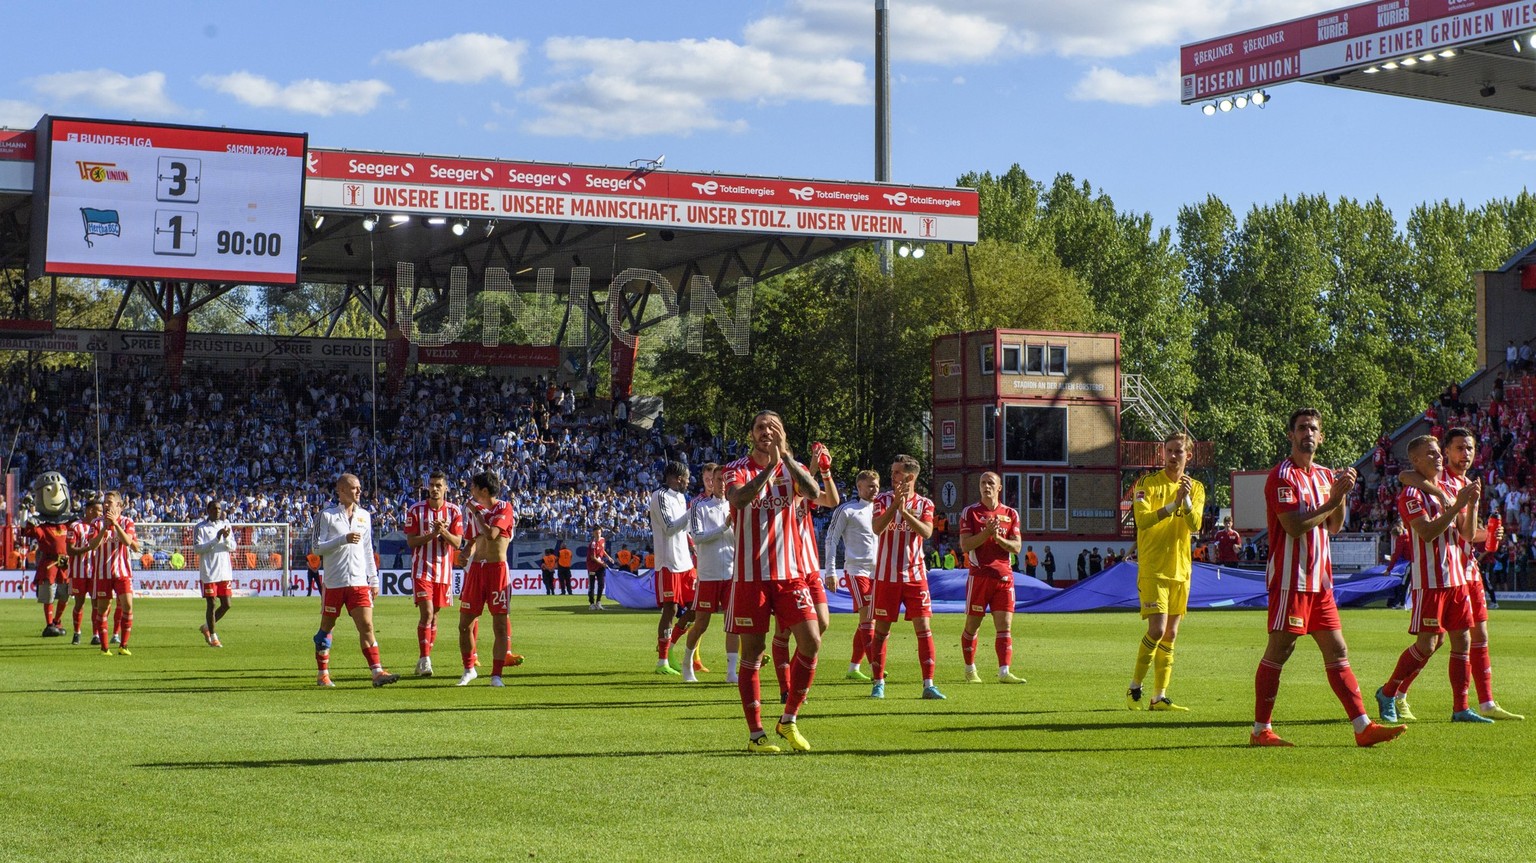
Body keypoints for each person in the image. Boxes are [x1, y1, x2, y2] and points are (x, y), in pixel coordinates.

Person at [1249, 409, 1403, 747]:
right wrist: (1333, 498)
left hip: (1320, 583)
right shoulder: (1281, 476)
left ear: (1321, 437)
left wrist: (1341, 495)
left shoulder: (1323, 475)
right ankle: (1261, 730)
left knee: (1338, 649)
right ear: (1290, 435)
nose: (1308, 433)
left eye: (1313, 428)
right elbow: (1293, 526)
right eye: (1302, 427)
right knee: (1280, 649)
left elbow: (1334, 526)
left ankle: (1362, 727)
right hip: (1291, 580)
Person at [1380, 430, 1522, 722]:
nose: (1466, 454)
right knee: (1432, 643)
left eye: (1470, 448)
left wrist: (1486, 531)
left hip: (1462, 572)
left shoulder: (1468, 485)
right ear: (1446, 451)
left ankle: (1474, 705)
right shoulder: (1434, 483)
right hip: (1433, 577)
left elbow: (1468, 534)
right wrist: (1449, 498)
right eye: (1459, 448)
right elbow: (1408, 476)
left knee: (1469, 638)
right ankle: (1395, 692)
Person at [723, 410, 823, 753]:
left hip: (790, 575)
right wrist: (768, 468)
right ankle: (755, 735)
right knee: (753, 652)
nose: (767, 431)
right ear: (751, 433)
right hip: (751, 577)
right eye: (761, 427)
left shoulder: (793, 468)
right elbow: (737, 499)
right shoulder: (736, 468)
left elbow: (812, 491)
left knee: (811, 641)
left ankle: (789, 720)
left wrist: (786, 458)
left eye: (773, 427)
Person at [1127, 432, 1205, 711]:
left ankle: (1159, 696)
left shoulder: (1195, 488)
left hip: (1181, 570)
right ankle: (1135, 686)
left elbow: (1195, 524)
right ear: (1163, 453)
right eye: (1169, 451)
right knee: (1157, 629)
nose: (1173, 456)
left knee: (1170, 634)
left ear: (1188, 456)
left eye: (1179, 452)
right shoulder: (1147, 484)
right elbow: (1143, 520)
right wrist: (1172, 504)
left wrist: (1184, 501)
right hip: (1153, 567)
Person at [310, 473, 399, 687]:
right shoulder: (327, 516)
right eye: (353, 488)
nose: (359, 491)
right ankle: (323, 674)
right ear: (340, 490)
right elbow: (316, 548)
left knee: (367, 625)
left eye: (359, 487)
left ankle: (377, 672)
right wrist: (343, 539)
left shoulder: (365, 516)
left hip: (359, 581)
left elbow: (367, 549)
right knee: (327, 627)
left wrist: (374, 579)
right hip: (334, 582)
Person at [868, 453, 944, 701]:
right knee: (881, 630)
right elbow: (877, 528)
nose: (892, 476)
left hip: (915, 575)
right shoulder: (882, 499)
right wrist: (895, 507)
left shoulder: (925, 504)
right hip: (886, 576)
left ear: (910, 477)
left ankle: (928, 684)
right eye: (892, 472)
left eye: (897, 472)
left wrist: (906, 513)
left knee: (923, 628)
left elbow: (927, 532)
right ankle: (878, 683)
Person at [770, 442, 839, 702]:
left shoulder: (802, 492)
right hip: (785, 568)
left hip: (809, 567)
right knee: (784, 631)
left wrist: (824, 469)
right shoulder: (774, 491)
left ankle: (795, 676)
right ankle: (786, 688)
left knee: (821, 623)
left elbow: (831, 499)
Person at [958, 471, 1025, 684]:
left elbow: (1016, 547)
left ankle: (1004, 672)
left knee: (1004, 625)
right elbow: (966, 545)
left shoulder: (1010, 514)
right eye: (982, 483)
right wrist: (987, 533)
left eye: (990, 483)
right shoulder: (970, 513)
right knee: (972, 625)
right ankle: (970, 670)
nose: (986, 486)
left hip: (1004, 577)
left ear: (999, 488)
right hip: (979, 577)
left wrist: (997, 537)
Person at [456, 471, 520, 687]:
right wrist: (465, 553)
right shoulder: (474, 510)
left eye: (474, 487)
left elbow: (492, 535)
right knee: (464, 624)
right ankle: (468, 669)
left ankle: (496, 675)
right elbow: (474, 539)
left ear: (484, 490)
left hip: (497, 571)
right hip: (476, 570)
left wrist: (476, 513)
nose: (470, 491)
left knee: (500, 625)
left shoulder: (504, 508)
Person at [403, 471, 464, 677]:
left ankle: (423, 659)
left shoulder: (454, 511)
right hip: (422, 569)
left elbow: (457, 543)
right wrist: (433, 534)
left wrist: (443, 532)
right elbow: (411, 542)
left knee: (435, 617)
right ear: (427, 487)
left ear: (446, 488)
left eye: (439, 485)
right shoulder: (416, 510)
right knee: (427, 613)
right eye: (432, 485)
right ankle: (425, 659)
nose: (435, 488)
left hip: (444, 572)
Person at [823, 469, 880, 681]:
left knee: (868, 620)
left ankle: (853, 668)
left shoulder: (882, 509)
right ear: (859, 487)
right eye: (870, 486)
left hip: (880, 572)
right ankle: (876, 667)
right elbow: (831, 539)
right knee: (869, 617)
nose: (874, 490)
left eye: (876, 485)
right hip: (857, 570)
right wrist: (831, 571)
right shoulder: (847, 510)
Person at [683, 462, 738, 682]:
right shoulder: (700, 507)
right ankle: (687, 665)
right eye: (718, 480)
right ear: (711, 483)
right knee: (701, 624)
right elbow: (697, 537)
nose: (722, 484)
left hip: (732, 574)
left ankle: (731, 672)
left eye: (726, 480)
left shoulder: (737, 507)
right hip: (708, 575)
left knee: (732, 624)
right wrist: (724, 527)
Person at [649, 460, 697, 676]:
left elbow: (685, 528)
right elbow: (669, 528)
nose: (688, 482)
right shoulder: (659, 496)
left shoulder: (680, 497)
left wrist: (694, 546)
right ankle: (662, 661)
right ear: (677, 478)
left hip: (686, 562)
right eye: (686, 478)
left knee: (698, 608)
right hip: (668, 562)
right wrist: (692, 511)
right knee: (671, 609)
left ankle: (671, 646)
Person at [85, 491, 140, 655]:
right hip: (103, 573)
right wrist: (104, 529)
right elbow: (92, 546)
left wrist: (115, 525)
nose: (106, 505)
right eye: (105, 502)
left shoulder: (127, 522)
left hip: (122, 572)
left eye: (109, 502)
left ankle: (123, 645)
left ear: (119, 505)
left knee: (128, 605)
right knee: (102, 609)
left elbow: (129, 542)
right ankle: (104, 648)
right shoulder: (96, 523)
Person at [192, 499, 237, 647]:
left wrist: (224, 539)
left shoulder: (226, 525)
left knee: (227, 604)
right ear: (208, 510)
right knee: (211, 603)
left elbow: (233, 547)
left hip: (224, 571)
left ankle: (206, 627)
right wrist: (216, 538)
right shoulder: (200, 527)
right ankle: (213, 636)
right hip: (209, 572)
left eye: (219, 509)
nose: (217, 511)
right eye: (214, 509)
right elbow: (198, 549)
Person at [64, 497, 102, 645]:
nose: (101, 513)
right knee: (79, 604)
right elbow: (69, 550)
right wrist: (88, 548)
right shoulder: (75, 526)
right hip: (78, 572)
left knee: (96, 605)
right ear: (90, 510)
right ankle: (77, 632)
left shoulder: (100, 526)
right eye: (99, 510)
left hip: (95, 572)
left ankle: (96, 635)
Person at [586, 526, 613, 610]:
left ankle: (598, 602)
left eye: (599, 533)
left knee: (601, 584)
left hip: (600, 566)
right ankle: (591, 603)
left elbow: (602, 550)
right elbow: (593, 557)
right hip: (592, 567)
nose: (598, 535)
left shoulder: (602, 540)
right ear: (593, 533)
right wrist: (603, 564)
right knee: (592, 585)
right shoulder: (593, 544)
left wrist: (608, 557)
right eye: (596, 533)